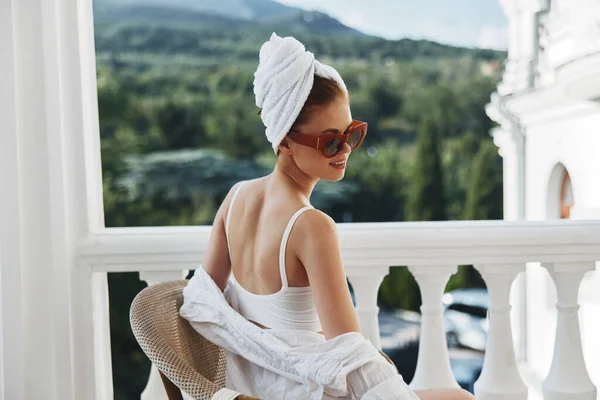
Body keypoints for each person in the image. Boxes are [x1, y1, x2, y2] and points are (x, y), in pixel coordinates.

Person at [181, 33, 474, 400]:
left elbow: (204, 304)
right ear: (284, 142)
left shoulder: (235, 197)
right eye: (330, 141)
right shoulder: (311, 226)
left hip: (257, 388)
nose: (345, 150)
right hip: (308, 390)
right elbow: (347, 353)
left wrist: (263, 354)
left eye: (352, 134)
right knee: (462, 398)